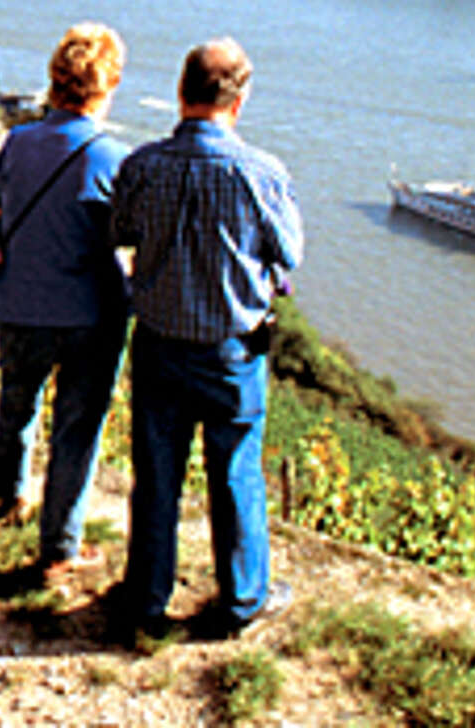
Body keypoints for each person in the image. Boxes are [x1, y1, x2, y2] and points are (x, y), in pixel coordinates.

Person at [109, 36, 304, 640]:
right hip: (232, 351)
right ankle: (242, 601)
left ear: (180, 92)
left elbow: (119, 231)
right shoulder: (262, 173)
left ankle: (146, 598)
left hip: (160, 341)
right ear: (239, 101)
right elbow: (290, 252)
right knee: (236, 471)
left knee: (157, 473)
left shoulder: (142, 166)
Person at [0, 22, 131, 582]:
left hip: (20, 301)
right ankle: (60, 549)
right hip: (91, 315)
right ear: (106, 85)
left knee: (16, 405)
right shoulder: (116, 157)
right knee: (77, 430)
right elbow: (130, 240)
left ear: (54, 79)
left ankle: (6, 497)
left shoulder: (17, 143)